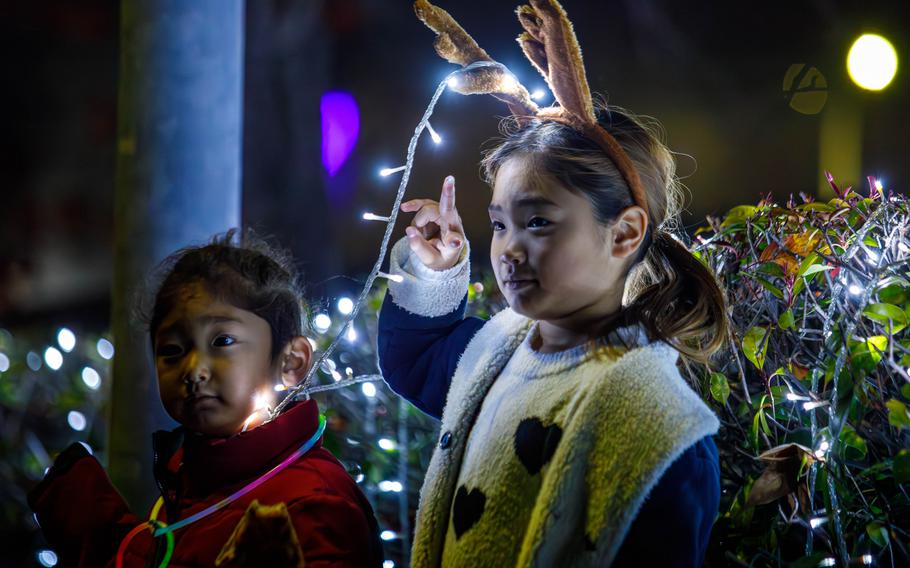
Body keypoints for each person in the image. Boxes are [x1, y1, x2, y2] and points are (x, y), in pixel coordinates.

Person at [378, 99, 728, 568]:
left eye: (538, 222)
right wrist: (436, 270)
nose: (508, 250)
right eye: (500, 224)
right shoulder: (495, 356)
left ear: (623, 233)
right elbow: (416, 356)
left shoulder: (658, 425)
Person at [29, 230, 383, 567]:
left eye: (222, 341)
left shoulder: (312, 504)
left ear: (291, 362)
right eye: (172, 350)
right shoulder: (193, 481)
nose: (194, 369)